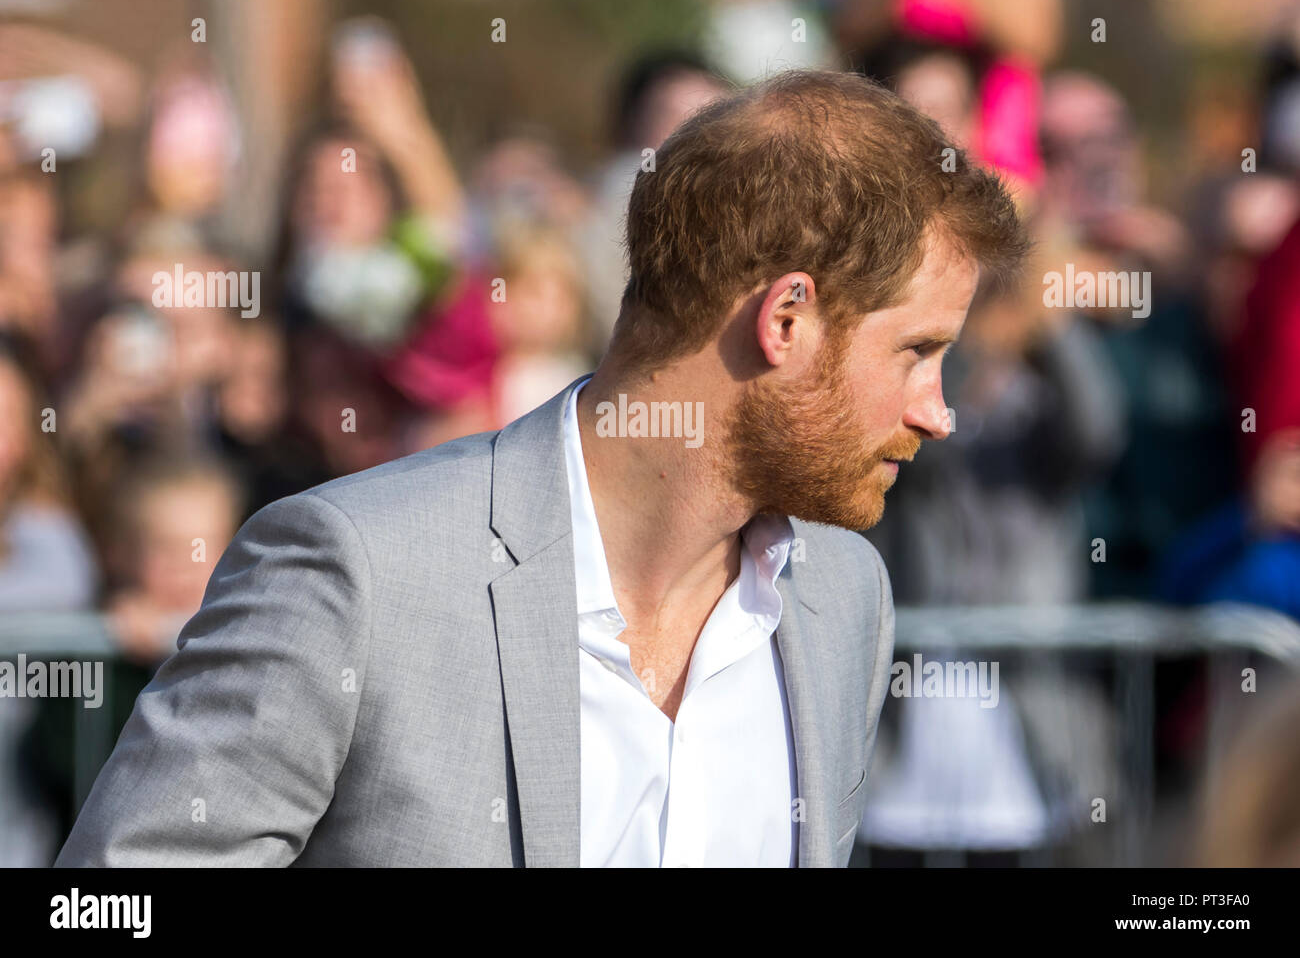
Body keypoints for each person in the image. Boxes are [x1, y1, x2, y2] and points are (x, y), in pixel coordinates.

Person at [55, 69, 1027, 868]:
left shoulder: (842, 597)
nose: (936, 411)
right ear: (784, 320)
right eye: (916, 351)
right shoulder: (357, 572)